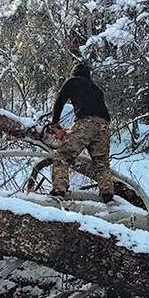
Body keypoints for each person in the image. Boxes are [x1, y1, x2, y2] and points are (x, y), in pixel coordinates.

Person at [48, 62, 114, 203]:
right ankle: (108, 196)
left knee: (63, 155)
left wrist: (55, 124)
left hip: (86, 123)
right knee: (102, 163)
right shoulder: (96, 89)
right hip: (104, 126)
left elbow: (59, 102)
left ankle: (59, 191)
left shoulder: (73, 82)